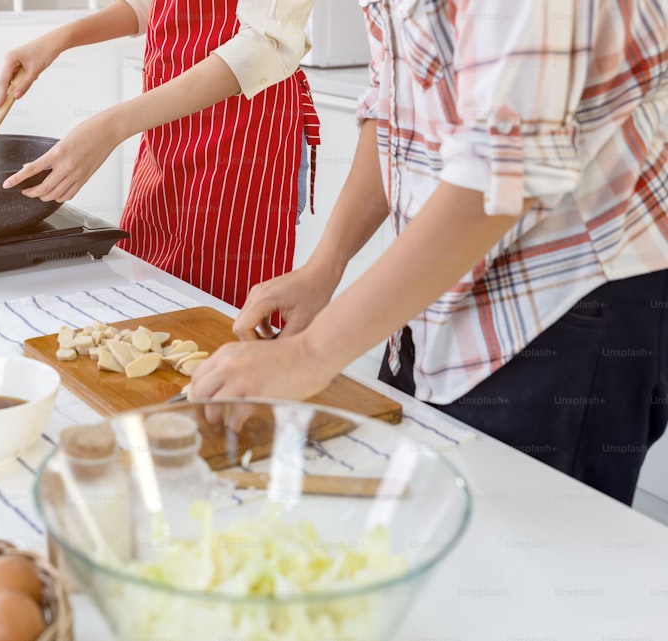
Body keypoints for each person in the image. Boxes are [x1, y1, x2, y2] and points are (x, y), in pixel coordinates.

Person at [189, 0, 668, 505]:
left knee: (518, 559)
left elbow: (500, 172)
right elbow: (392, 104)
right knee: (408, 513)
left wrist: (309, 354)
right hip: (443, 286)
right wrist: (325, 266)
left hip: (566, 295)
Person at [0, 0, 320, 309]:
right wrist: (59, 39)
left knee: (218, 319)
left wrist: (111, 127)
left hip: (243, 138)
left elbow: (264, 45)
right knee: (147, 289)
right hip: (165, 133)